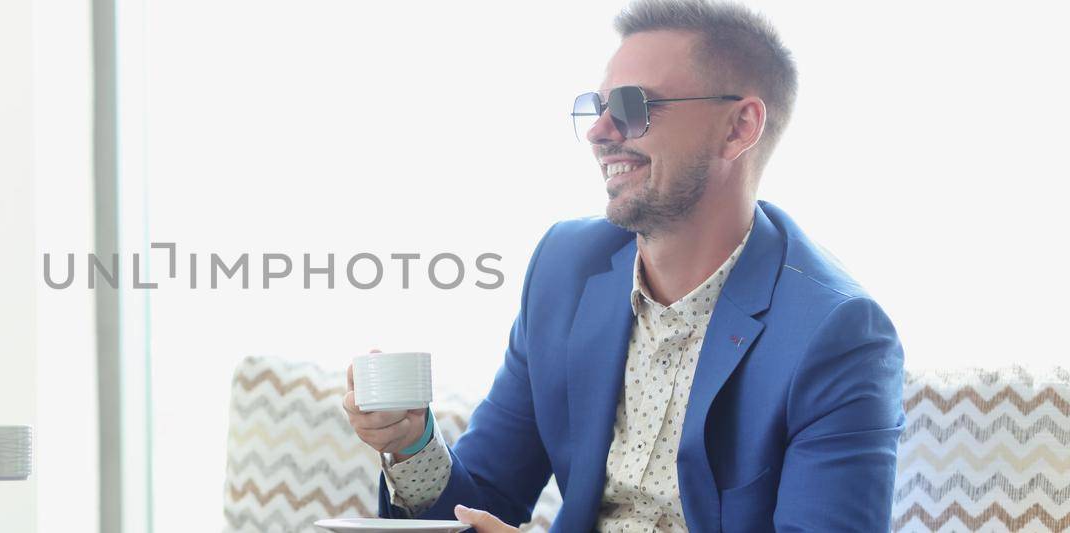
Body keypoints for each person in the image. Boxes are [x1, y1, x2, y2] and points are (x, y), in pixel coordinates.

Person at [343, 1, 904, 531]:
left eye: (634, 106)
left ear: (738, 128)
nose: (598, 131)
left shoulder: (837, 334)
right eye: (599, 106)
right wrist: (413, 443)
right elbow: (482, 501)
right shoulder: (564, 270)